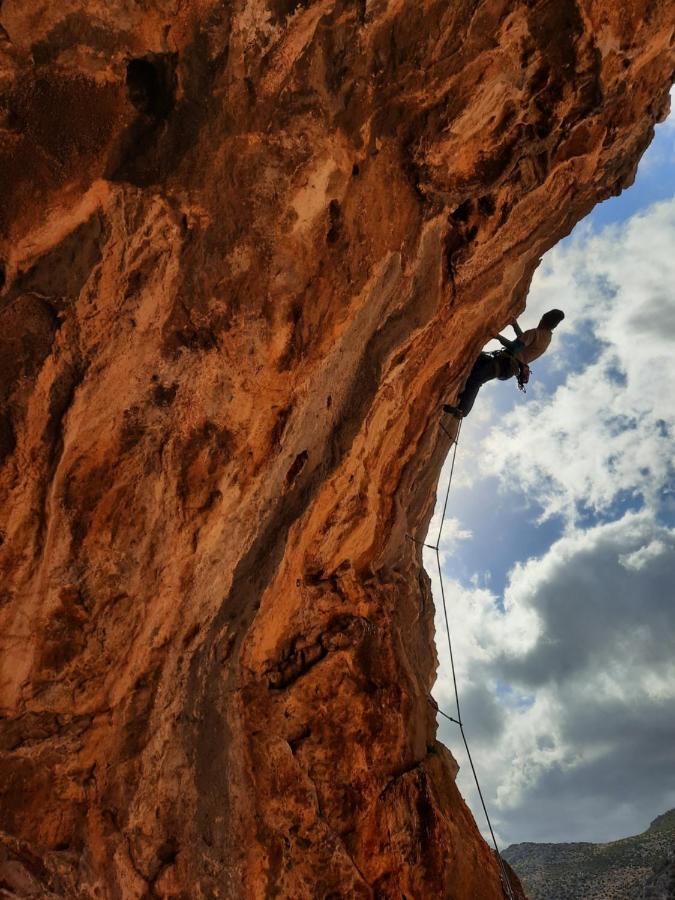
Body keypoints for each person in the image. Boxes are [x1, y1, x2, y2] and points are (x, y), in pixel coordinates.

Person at [443, 309, 565, 418]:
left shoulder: (535, 333)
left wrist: (497, 336)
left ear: (543, 319)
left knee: (477, 379)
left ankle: (462, 410)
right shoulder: (546, 338)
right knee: (476, 360)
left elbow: (515, 347)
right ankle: (464, 395)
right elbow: (525, 340)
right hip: (508, 368)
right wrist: (514, 325)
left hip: (505, 363)